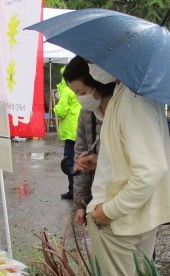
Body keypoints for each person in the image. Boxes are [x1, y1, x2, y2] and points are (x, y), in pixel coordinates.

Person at [82, 62, 170, 276]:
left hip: (121, 221)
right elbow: (134, 158)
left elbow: (150, 169)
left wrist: (109, 211)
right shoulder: (130, 94)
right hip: (132, 217)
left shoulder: (133, 98)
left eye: (94, 62)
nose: (92, 67)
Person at [62, 56, 115, 225]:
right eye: (75, 93)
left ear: (97, 85)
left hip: (124, 203)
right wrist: (81, 204)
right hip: (99, 201)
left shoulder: (126, 108)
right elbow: (81, 162)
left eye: (82, 92)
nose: (80, 98)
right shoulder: (87, 113)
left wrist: (102, 161)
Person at [54, 67, 82, 200]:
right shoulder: (79, 86)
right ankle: (82, 191)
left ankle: (73, 191)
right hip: (80, 129)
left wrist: (55, 108)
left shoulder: (66, 89)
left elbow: (61, 111)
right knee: (81, 161)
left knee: (69, 163)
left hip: (70, 132)